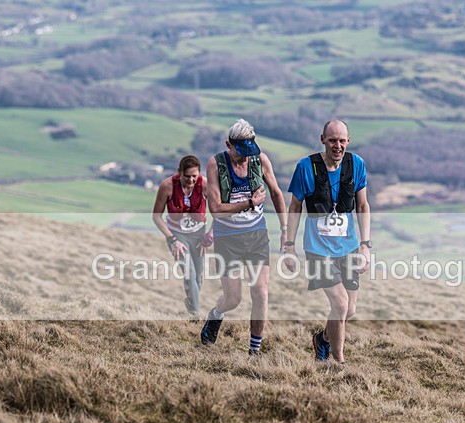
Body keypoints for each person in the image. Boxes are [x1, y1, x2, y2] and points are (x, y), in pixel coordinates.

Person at [283, 119, 371, 365]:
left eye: (342, 141)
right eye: (332, 140)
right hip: (318, 250)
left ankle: (323, 339)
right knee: (341, 304)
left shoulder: (356, 165)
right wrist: (289, 246)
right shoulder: (306, 167)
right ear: (322, 140)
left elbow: (363, 205)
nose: (338, 146)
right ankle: (338, 362)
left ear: (348, 141)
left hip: (349, 247)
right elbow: (295, 206)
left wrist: (365, 245)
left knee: (349, 310)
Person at [201, 119, 288, 355]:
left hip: (256, 235)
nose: (243, 158)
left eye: (247, 152)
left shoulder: (260, 160)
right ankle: (216, 315)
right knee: (233, 299)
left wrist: (285, 230)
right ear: (228, 144)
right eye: (239, 153)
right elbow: (216, 209)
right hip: (227, 237)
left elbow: (276, 193)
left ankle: (254, 351)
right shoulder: (215, 164)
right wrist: (249, 203)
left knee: (261, 292)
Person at [152, 155, 214, 318]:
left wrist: (210, 234)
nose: (192, 180)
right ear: (179, 172)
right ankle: (195, 315)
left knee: (199, 277)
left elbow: (219, 212)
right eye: (187, 176)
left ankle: (191, 303)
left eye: (195, 176)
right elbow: (156, 217)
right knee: (189, 273)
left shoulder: (205, 185)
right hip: (177, 234)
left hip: (198, 234)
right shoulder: (167, 186)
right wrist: (172, 240)